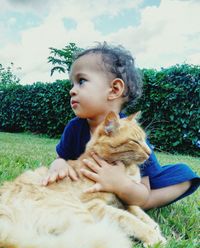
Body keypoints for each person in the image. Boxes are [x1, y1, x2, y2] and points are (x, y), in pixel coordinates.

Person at [42, 43, 199, 209]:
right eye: (72, 84)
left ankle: (130, 205)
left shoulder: (131, 133)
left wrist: (121, 184)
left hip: (133, 185)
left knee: (184, 174)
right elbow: (62, 158)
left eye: (81, 81)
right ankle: (114, 202)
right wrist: (58, 165)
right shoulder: (75, 127)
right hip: (90, 184)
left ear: (114, 89)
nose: (72, 90)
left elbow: (143, 189)